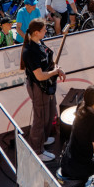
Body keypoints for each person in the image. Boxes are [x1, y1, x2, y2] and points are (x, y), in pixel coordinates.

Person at [22, 19, 64, 162]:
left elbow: (49, 61)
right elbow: (39, 76)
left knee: (50, 113)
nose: (46, 32)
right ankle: (37, 150)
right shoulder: (30, 50)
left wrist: (57, 69)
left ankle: (43, 139)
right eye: (44, 30)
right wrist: (55, 72)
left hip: (47, 86)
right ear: (36, 32)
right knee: (40, 118)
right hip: (38, 87)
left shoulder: (39, 43)